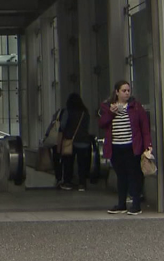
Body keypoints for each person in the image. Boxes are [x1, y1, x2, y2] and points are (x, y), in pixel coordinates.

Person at [98, 80, 152, 216]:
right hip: (116, 147)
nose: (127, 93)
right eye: (124, 91)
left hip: (132, 146)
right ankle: (121, 204)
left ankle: (136, 204)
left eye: (128, 90)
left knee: (134, 175)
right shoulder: (107, 107)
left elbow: (144, 127)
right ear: (117, 92)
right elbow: (102, 124)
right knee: (121, 176)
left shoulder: (136, 107)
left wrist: (147, 146)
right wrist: (111, 113)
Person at [57, 93, 91, 192]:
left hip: (70, 141)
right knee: (82, 164)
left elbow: (63, 125)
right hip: (84, 141)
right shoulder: (85, 112)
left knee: (68, 162)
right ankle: (82, 184)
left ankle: (68, 182)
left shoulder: (68, 111)